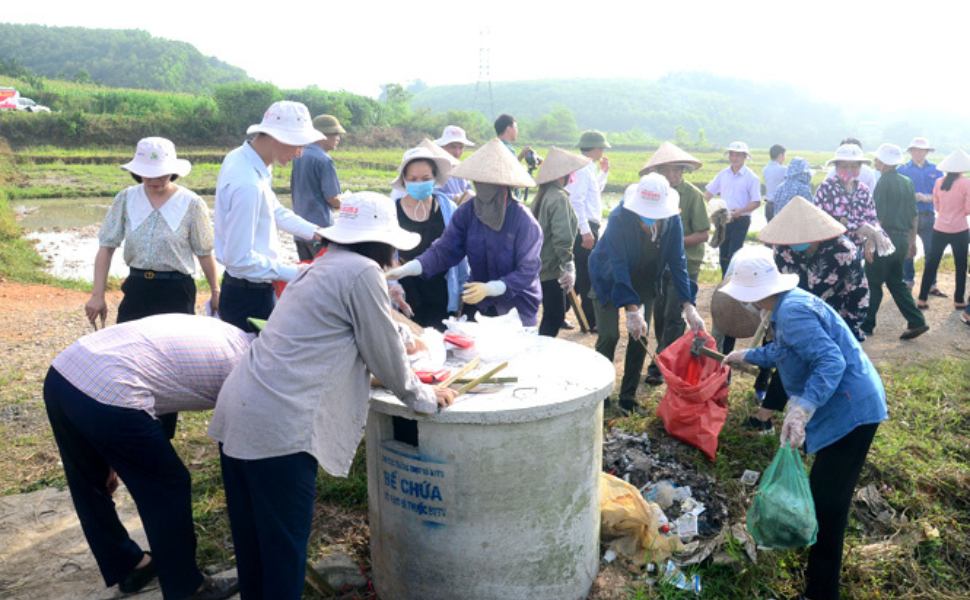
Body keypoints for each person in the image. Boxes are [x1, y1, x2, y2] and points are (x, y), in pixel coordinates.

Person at [209, 192, 456, 600]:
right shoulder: (362, 272)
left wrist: (398, 334)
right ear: (384, 243)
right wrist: (426, 397)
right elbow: (387, 362)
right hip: (279, 427)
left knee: (255, 550)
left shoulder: (319, 268)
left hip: (240, 411)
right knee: (285, 558)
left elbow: (343, 329)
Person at [44, 314, 251, 600]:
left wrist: (111, 452)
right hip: (109, 390)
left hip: (65, 372)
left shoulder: (227, 333)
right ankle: (187, 588)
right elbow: (240, 444)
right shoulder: (247, 372)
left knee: (91, 483)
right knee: (169, 486)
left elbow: (158, 376)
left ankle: (128, 565)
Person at [721, 247, 887, 600]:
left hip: (852, 411)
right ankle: (818, 578)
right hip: (845, 406)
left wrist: (801, 408)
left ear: (751, 294)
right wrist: (747, 355)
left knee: (828, 505)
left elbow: (830, 362)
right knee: (824, 494)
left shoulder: (793, 312)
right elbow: (786, 350)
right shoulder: (786, 307)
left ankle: (821, 593)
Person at [387, 138, 543, 327]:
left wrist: (494, 287)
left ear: (503, 184)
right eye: (479, 181)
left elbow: (528, 270)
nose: (483, 187)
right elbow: (445, 250)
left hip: (516, 306)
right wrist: (411, 267)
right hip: (478, 302)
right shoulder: (468, 212)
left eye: (489, 182)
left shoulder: (522, 220)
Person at [745, 196, 870, 433]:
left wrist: (850, 330)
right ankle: (772, 414)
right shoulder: (782, 249)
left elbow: (858, 292)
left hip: (834, 317)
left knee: (828, 366)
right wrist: (772, 318)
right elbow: (777, 286)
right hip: (792, 314)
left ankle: (832, 419)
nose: (794, 243)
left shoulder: (842, 250)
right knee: (787, 358)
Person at [589, 173, 706, 411]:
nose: (650, 221)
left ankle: (628, 398)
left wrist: (688, 305)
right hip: (609, 275)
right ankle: (599, 396)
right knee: (610, 335)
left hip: (645, 278)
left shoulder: (672, 220)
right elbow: (619, 264)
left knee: (640, 335)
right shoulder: (620, 217)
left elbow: (678, 262)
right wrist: (632, 310)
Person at [214, 101, 329, 332]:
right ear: (278, 137)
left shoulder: (247, 159)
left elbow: (274, 210)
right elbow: (240, 259)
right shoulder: (247, 184)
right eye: (298, 146)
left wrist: (318, 233)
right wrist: (294, 273)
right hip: (248, 296)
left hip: (249, 288)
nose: (299, 154)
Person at [85, 137, 219, 327]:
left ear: (172, 171)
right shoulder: (126, 198)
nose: (154, 180)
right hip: (137, 288)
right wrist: (97, 296)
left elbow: (204, 252)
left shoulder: (191, 203)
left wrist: (215, 292)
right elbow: (106, 247)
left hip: (176, 291)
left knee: (173, 351)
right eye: (147, 174)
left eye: (161, 174)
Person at [637, 142, 710, 385]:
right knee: (659, 312)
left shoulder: (694, 196)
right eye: (668, 171)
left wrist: (673, 243)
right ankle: (667, 355)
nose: (673, 175)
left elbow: (703, 234)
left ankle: (659, 365)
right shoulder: (657, 195)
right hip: (660, 265)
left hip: (685, 263)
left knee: (674, 315)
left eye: (677, 170)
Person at [389, 146, 468, 330]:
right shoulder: (391, 211)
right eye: (413, 179)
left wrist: (463, 289)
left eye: (425, 179)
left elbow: (460, 250)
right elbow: (383, 255)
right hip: (405, 294)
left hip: (442, 290)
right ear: (404, 181)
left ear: (435, 179)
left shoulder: (448, 208)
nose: (420, 183)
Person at [865, 143, 928, 339]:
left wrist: (869, 243)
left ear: (883, 163)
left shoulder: (883, 183)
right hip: (901, 239)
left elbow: (879, 218)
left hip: (885, 237)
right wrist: (912, 242)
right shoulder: (907, 182)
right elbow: (914, 215)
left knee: (873, 282)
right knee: (896, 282)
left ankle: (866, 325)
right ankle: (916, 321)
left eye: (877, 159)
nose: (875, 161)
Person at [531, 147, 591, 337]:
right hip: (552, 266)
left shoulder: (543, 194)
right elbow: (562, 237)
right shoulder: (559, 198)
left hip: (540, 263)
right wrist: (568, 264)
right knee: (555, 316)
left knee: (550, 313)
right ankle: (539, 352)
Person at [566, 130, 611, 332]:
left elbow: (594, 195)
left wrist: (604, 173)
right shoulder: (583, 169)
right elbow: (577, 201)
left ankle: (564, 313)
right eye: (601, 147)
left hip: (587, 225)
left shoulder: (587, 167)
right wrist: (585, 231)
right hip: (585, 227)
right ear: (595, 148)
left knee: (581, 273)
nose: (602, 151)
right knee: (586, 275)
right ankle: (589, 321)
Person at [917, 149, 970, 312]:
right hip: (960, 228)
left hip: (939, 228)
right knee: (961, 265)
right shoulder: (966, 183)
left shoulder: (939, 182)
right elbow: (968, 209)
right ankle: (959, 300)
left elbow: (937, 205)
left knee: (932, 262)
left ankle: (922, 298)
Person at [290, 114, 345, 261]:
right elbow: (333, 199)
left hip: (300, 230)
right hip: (320, 232)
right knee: (325, 276)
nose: (338, 138)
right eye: (335, 134)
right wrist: (348, 203)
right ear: (322, 135)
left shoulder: (299, 155)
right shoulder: (324, 160)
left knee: (307, 275)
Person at [704, 141, 762, 276]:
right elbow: (708, 193)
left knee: (734, 254)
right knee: (723, 254)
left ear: (744, 157)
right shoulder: (723, 174)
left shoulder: (752, 177)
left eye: (738, 155)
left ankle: (734, 283)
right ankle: (724, 282)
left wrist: (740, 211)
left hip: (741, 220)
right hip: (723, 219)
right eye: (732, 154)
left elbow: (757, 202)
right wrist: (699, 205)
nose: (734, 158)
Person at [899, 137, 944, 293]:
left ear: (926, 152)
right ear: (910, 151)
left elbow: (943, 193)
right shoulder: (902, 169)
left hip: (929, 215)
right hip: (908, 216)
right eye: (915, 150)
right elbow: (896, 193)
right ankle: (908, 281)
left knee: (931, 251)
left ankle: (931, 284)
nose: (918, 153)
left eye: (921, 150)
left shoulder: (936, 170)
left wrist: (927, 197)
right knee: (908, 249)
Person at [813, 143, 879, 248]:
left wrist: (872, 237)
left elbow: (872, 218)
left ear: (860, 168)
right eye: (844, 166)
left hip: (857, 253)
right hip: (831, 251)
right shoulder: (826, 188)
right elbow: (821, 221)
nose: (849, 170)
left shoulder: (864, 190)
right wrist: (858, 226)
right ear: (836, 168)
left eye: (854, 166)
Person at [434, 125, 476, 203]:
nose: (457, 152)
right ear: (442, 147)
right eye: (453, 147)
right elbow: (432, 195)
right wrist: (455, 197)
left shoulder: (461, 169)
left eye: (461, 148)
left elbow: (469, 189)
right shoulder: (435, 169)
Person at [762, 144, 787, 221]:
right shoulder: (783, 170)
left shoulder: (765, 169)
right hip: (779, 206)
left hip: (768, 206)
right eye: (784, 156)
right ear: (780, 155)